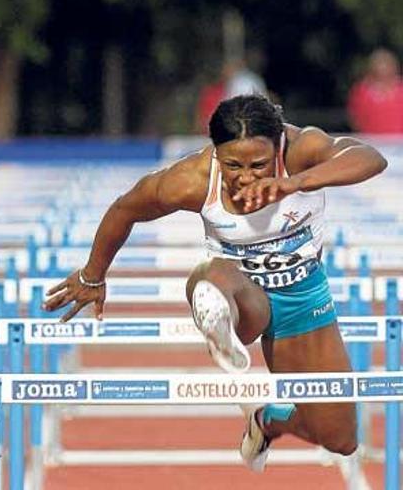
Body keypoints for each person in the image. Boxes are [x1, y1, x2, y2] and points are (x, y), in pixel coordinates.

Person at [43, 94, 387, 471]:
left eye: (258, 164)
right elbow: (126, 208)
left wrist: (297, 183)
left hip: (302, 297)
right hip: (238, 295)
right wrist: (93, 274)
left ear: (279, 146)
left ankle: (266, 419)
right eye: (232, 164)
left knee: (340, 439)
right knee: (217, 277)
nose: (245, 176)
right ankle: (214, 316)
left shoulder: (303, 149)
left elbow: (371, 158)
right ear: (215, 154)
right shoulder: (193, 180)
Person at [347, 48, 403, 133]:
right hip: (370, 140)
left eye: (386, 64)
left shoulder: (400, 89)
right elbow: (354, 118)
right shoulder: (362, 91)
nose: (383, 68)